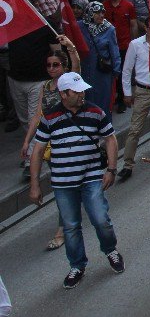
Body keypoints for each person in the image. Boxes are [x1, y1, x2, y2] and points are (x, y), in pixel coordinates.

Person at [28, 72, 124, 289]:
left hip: (91, 178)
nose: (82, 95)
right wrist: (34, 184)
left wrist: (111, 169)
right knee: (71, 226)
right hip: (63, 183)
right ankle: (77, 265)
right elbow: (38, 150)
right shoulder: (49, 118)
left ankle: (111, 250)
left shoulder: (94, 112)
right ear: (63, 94)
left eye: (82, 91)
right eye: (77, 91)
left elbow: (110, 139)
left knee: (100, 219)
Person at [20, 38, 79, 249]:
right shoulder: (45, 87)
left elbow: (76, 63)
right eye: (49, 65)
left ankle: (63, 228)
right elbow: (38, 115)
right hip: (53, 144)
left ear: (64, 66)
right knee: (62, 184)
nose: (52, 68)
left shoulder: (71, 82)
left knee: (69, 184)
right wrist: (28, 141)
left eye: (56, 65)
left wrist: (70, 47)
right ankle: (69, 218)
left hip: (72, 140)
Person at [118, 20, 150, 180]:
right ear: (146, 28)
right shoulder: (135, 45)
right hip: (142, 91)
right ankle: (127, 164)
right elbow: (127, 70)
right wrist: (127, 93)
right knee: (135, 129)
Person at [80, 2, 121, 115]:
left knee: (103, 102)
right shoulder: (81, 26)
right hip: (84, 71)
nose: (101, 15)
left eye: (103, 12)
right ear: (90, 13)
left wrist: (116, 72)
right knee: (86, 101)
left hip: (102, 73)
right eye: (97, 13)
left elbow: (115, 52)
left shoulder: (109, 29)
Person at [103, 0, 137, 113]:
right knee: (113, 72)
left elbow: (133, 24)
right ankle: (115, 96)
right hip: (109, 46)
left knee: (124, 71)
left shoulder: (128, 6)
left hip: (124, 44)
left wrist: (133, 43)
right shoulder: (104, 6)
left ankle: (123, 98)